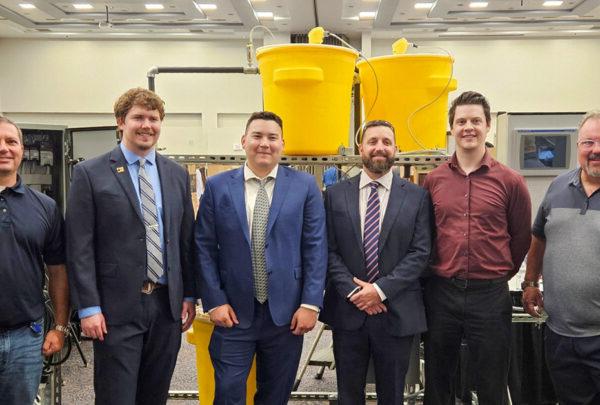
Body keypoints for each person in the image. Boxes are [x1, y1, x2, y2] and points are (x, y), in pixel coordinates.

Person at [66, 88, 196, 405]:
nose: (146, 125)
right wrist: (88, 307)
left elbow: (185, 240)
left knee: (154, 395)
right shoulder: (90, 173)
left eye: (153, 118)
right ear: (121, 122)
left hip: (166, 306)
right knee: (116, 397)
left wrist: (189, 293)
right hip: (114, 308)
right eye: (138, 117)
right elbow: (79, 246)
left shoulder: (176, 174)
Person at [195, 111, 327, 405]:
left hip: (286, 314)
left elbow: (316, 247)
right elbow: (203, 247)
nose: (264, 144)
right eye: (257, 136)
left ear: (282, 143)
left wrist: (310, 303)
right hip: (233, 313)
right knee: (228, 392)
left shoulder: (304, 186)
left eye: (272, 137)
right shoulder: (218, 188)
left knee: (275, 395)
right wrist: (214, 301)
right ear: (244, 141)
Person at [423, 91, 532, 405]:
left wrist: (494, 273)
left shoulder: (511, 182)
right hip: (442, 293)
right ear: (452, 128)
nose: (468, 127)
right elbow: (426, 236)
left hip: (489, 296)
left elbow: (520, 238)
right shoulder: (433, 181)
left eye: (475, 121)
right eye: (461, 121)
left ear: (488, 127)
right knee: (438, 379)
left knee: (491, 381)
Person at [320, 120, 431, 404]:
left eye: (386, 142)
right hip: (348, 311)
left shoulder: (418, 197)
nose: (379, 147)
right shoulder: (334, 195)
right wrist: (357, 292)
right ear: (361, 148)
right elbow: (328, 251)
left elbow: (420, 252)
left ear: (396, 148)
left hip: (396, 310)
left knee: (392, 395)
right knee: (348, 394)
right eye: (372, 141)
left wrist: (379, 291)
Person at [523, 111, 600, 404]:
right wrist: (530, 282)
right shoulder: (557, 188)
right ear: (578, 146)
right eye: (588, 142)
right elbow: (539, 236)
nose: (596, 150)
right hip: (560, 334)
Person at [0, 116, 69, 405]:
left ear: (21, 149)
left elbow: (58, 270)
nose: (4, 148)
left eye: (11, 141)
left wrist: (60, 327)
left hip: (24, 339)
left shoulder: (45, 207)